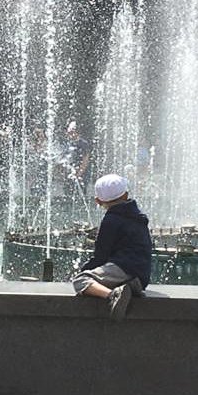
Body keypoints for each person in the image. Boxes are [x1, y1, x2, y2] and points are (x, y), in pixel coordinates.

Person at [71, 174, 153, 321]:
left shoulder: (111, 220)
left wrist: (85, 269)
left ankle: (113, 295)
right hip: (142, 275)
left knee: (81, 280)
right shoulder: (138, 215)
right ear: (126, 195)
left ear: (98, 201)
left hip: (124, 268)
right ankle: (127, 287)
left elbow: (101, 256)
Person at [64, 121, 93, 195]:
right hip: (70, 172)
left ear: (76, 132)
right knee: (68, 192)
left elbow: (85, 159)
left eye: (71, 132)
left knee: (80, 192)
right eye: (68, 132)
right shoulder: (69, 143)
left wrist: (79, 173)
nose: (69, 134)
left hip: (81, 173)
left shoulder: (83, 143)